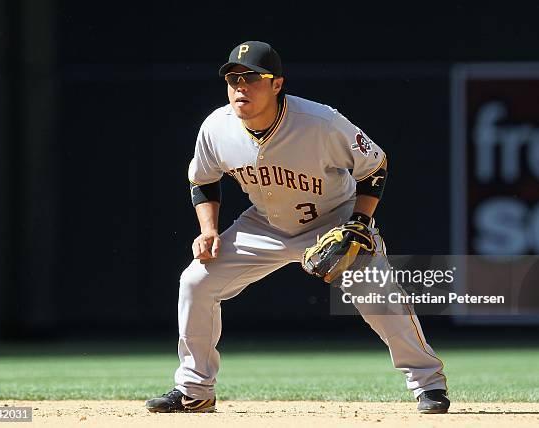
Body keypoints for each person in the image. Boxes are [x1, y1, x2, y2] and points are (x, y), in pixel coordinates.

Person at [146, 41, 450, 414]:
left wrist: (359, 223)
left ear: (277, 84)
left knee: (377, 293)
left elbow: (375, 166)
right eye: (233, 78)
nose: (241, 86)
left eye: (252, 78)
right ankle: (195, 388)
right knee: (196, 281)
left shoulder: (319, 122)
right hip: (264, 224)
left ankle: (428, 385)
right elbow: (204, 180)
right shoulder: (217, 126)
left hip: (333, 220)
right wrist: (208, 229)